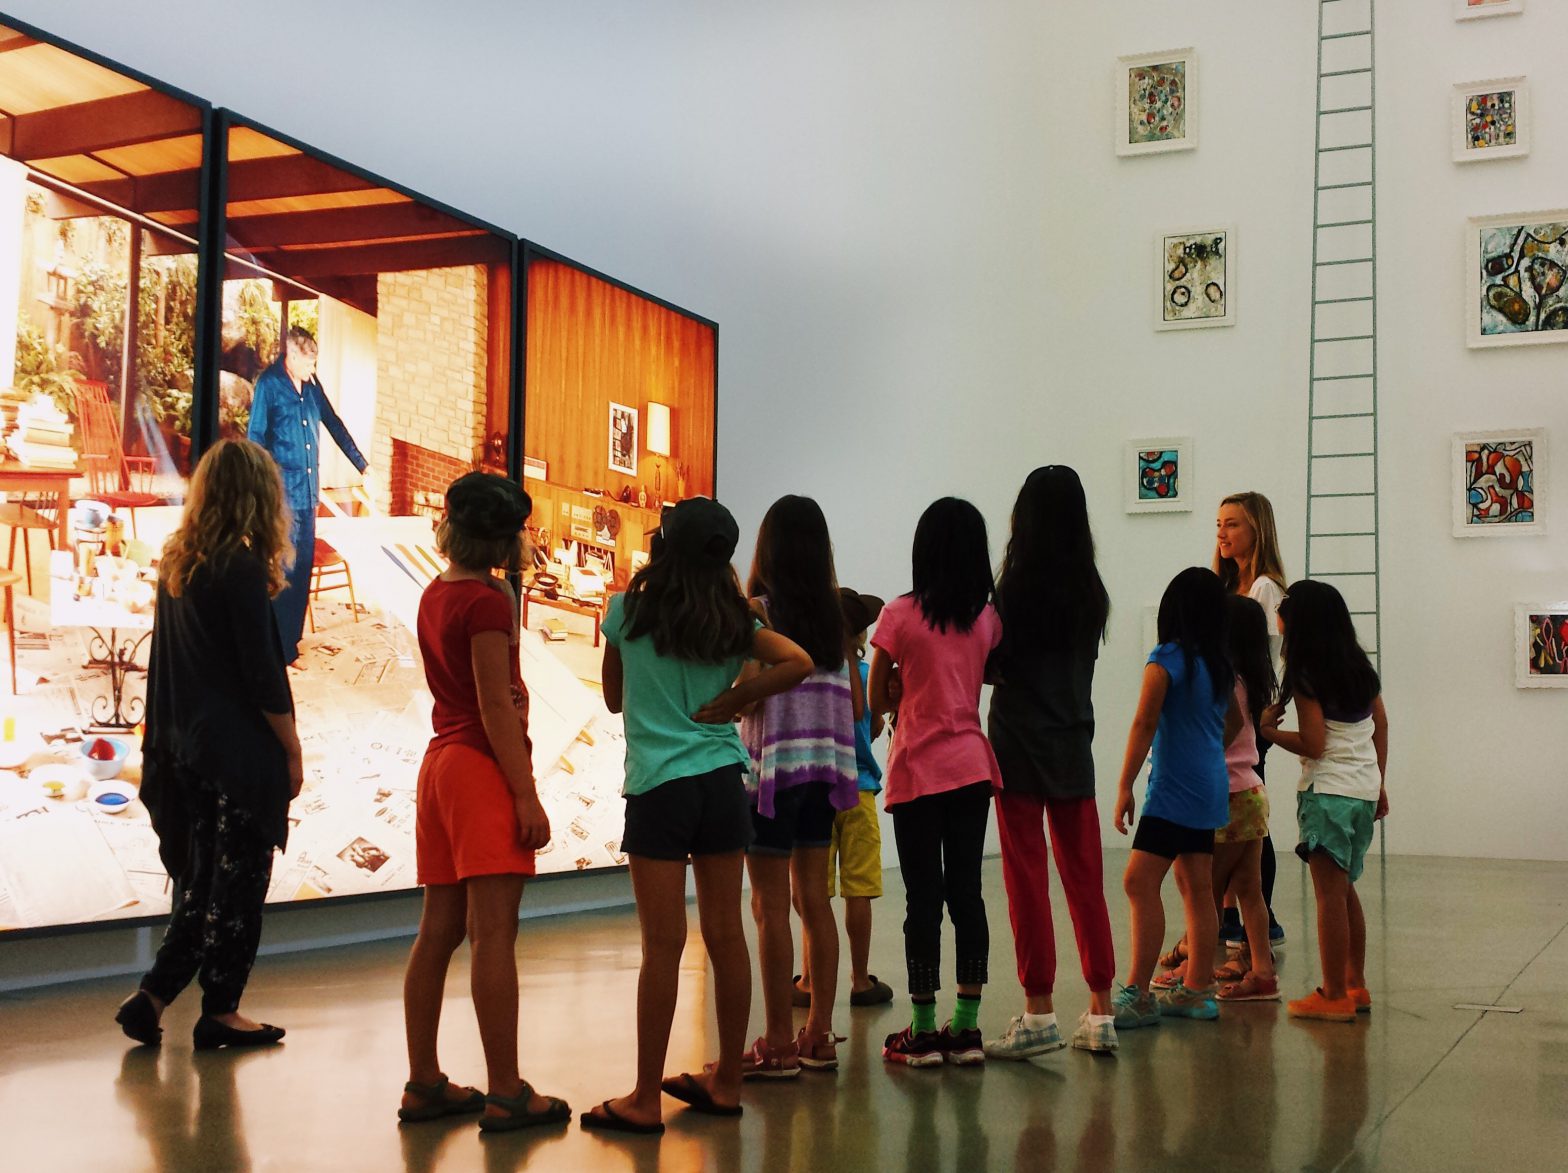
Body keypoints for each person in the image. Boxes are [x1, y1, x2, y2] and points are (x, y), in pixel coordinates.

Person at [582, 498, 814, 1134]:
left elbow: (613, 698)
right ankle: (728, 1082)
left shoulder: (627, 612)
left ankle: (644, 1099)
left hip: (659, 787)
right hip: (719, 783)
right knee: (726, 935)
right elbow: (797, 661)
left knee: (661, 946)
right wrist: (739, 696)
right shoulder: (734, 619)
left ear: (665, 545)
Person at [115, 439, 302, 1051]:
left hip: (188, 747)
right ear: (258, 497)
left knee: (201, 884)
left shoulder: (180, 562)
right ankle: (221, 1010)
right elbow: (262, 676)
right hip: (237, 754)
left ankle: (152, 996)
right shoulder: (239, 568)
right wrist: (292, 748)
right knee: (238, 889)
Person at [399, 472, 568, 1131]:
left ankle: (424, 1080)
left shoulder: (436, 593)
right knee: (494, 933)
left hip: (440, 764)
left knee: (436, 931)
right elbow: (495, 705)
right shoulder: (487, 603)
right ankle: (507, 1090)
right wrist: (526, 794)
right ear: (503, 539)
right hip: (479, 769)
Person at [983, 466, 1119, 1059]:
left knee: (1026, 879)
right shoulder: (1091, 593)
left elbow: (991, 666)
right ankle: (1101, 1010)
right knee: (1085, 878)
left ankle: (1038, 1010)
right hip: (1072, 744)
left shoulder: (1010, 593)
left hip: (1016, 743)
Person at [870, 497, 1002, 1068]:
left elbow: (877, 699)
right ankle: (967, 1029)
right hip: (972, 767)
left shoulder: (898, 615)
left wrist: (901, 687)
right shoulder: (987, 619)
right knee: (967, 894)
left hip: (918, 770)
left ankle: (922, 1033)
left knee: (922, 899)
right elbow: (985, 671)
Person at [739, 495, 861, 1077]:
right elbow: (850, 705)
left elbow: (746, 692)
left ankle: (779, 1043)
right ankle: (820, 1035)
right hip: (823, 773)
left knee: (769, 907)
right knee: (814, 900)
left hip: (773, 774)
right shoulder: (836, 621)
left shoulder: (758, 613)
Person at [1111, 567, 1242, 1030]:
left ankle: (1138, 992)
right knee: (1197, 886)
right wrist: (1204, 751)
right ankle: (1197, 991)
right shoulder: (1217, 665)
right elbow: (1234, 724)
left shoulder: (1166, 658)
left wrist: (1124, 785)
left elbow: (1144, 723)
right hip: (1209, 785)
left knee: (1138, 881)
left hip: (1174, 790)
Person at [1260, 581, 1389, 1022]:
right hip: (1362, 792)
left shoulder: (1307, 674)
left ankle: (1333, 995)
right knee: (1345, 889)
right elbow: (1381, 724)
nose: (1278, 615)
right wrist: (1378, 782)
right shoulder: (1359, 668)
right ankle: (1355, 984)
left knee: (1329, 897)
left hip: (1328, 793)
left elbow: (1314, 744)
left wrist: (1268, 732)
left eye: (1284, 609)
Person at [1153, 595, 1281, 1002]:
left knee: (1204, 890)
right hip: (1252, 793)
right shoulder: (1254, 680)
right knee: (1250, 891)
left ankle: (1195, 969)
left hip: (1224, 794)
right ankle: (1263, 972)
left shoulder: (1224, 679)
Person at [794, 588, 895, 1010]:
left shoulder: (810, 676)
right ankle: (859, 979)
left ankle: (809, 980)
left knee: (813, 893)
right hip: (861, 791)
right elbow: (873, 727)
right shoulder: (867, 673)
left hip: (817, 791)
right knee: (859, 891)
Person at [247, 326, 370, 665]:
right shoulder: (269, 384)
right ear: (291, 356)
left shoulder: (312, 385)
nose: (312, 369)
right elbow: (256, 438)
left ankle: (290, 642)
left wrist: (363, 466)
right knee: (283, 569)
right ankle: (274, 645)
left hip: (308, 493)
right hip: (281, 495)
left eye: (314, 363)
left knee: (301, 570)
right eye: (308, 363)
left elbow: (334, 423)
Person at [1213, 490, 1288, 949]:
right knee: (1230, 813)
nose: (1222, 533)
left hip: (1247, 717)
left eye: (1232, 524)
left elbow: (1259, 660)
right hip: (1234, 713)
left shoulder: (1263, 588)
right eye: (1219, 524)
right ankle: (1229, 915)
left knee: (1249, 818)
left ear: (1256, 530)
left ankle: (1262, 915)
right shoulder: (1231, 586)